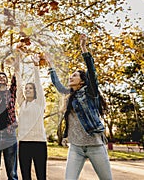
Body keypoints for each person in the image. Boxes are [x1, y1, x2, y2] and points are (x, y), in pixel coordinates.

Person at [45, 34, 112, 180]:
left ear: (82, 82)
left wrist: (84, 48)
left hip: (95, 145)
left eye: (74, 75)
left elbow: (92, 73)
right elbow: (57, 84)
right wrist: (50, 65)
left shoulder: (90, 93)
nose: (70, 77)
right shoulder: (71, 96)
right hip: (76, 147)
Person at [16, 54, 47, 180]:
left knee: (41, 175)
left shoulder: (39, 103)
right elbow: (18, 86)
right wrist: (17, 68)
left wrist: (36, 66)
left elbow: (38, 84)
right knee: (25, 176)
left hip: (39, 143)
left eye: (31, 88)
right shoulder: (22, 103)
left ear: (35, 91)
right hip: (24, 144)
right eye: (26, 88)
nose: (28, 90)